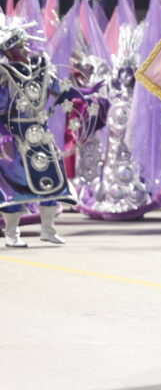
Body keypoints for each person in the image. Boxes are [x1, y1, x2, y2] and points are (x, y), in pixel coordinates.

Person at [0, 18, 98, 247]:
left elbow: (61, 90)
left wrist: (85, 92)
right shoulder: (4, 76)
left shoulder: (42, 70)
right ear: (9, 51)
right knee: (15, 186)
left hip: (41, 136)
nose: (25, 50)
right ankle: (12, 234)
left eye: (25, 45)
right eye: (18, 47)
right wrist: (3, 135)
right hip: (16, 138)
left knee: (53, 182)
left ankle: (48, 230)